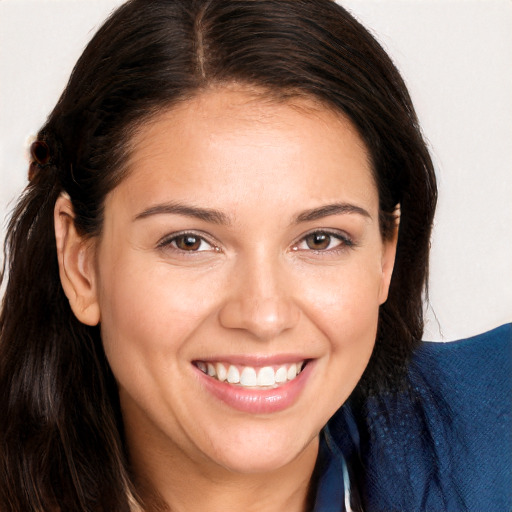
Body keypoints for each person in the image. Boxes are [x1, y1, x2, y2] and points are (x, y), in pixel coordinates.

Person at [0, 0, 509, 511]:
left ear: (385, 256)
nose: (263, 315)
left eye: (320, 239)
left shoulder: (488, 439)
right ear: (80, 264)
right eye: (189, 242)